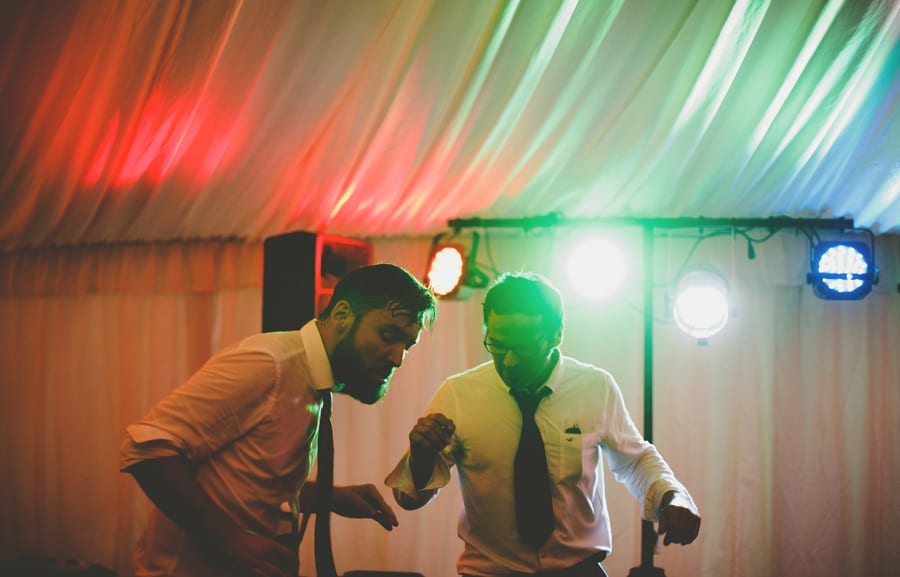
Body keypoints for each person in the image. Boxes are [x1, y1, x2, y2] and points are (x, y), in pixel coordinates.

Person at [121, 263, 437, 577]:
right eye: (388, 335)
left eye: (407, 346)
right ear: (342, 315)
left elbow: (256, 484)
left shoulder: (311, 380)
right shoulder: (270, 363)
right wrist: (228, 538)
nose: (397, 359)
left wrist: (329, 498)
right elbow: (148, 449)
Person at [386, 272, 700, 577]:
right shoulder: (458, 394)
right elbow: (408, 499)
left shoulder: (595, 387)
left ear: (556, 335)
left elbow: (635, 461)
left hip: (579, 571)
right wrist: (420, 457)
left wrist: (672, 496)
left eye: (524, 347)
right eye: (497, 345)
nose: (509, 361)